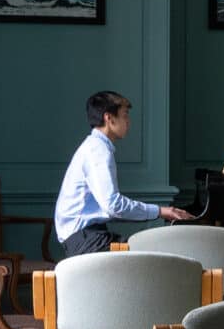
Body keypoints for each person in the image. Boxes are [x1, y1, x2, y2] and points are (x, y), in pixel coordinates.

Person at [54, 91, 191, 256]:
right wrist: (160, 211)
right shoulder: (98, 150)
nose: (128, 122)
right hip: (86, 239)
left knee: (150, 258)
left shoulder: (94, 146)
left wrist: (157, 212)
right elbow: (113, 205)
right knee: (153, 260)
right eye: (125, 115)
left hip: (85, 237)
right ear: (109, 118)